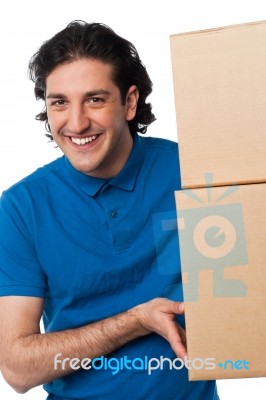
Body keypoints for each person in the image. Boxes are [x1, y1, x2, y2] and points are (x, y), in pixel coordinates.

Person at [0, 21, 219, 399]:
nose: (76, 122)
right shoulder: (21, 208)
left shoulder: (196, 173)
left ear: (130, 102)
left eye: (95, 99)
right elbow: (17, 369)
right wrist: (136, 321)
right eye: (60, 102)